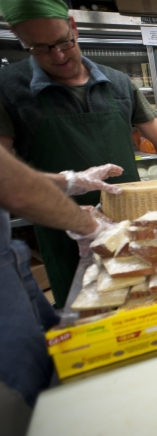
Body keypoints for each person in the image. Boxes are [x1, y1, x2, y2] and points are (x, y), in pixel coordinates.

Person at [0, 0, 157, 308]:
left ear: (73, 26)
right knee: (88, 319)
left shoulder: (118, 83)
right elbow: (5, 175)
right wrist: (69, 182)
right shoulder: (8, 88)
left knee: (146, 305)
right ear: (17, 37)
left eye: (63, 42)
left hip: (131, 224)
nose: (58, 56)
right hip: (64, 234)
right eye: (40, 48)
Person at [0, 146, 110, 436]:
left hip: (7, 256)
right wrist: (90, 227)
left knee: (52, 367)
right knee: (28, 406)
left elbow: (8, 173)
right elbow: (13, 187)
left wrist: (70, 181)